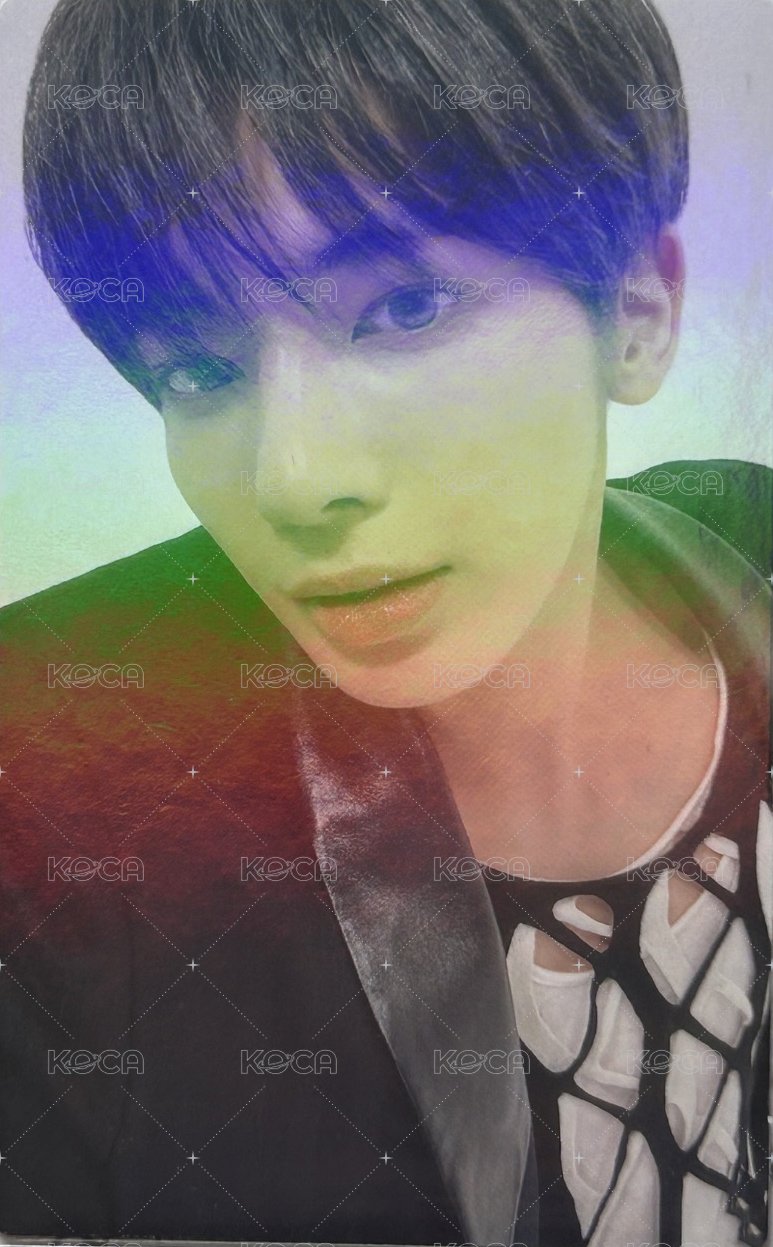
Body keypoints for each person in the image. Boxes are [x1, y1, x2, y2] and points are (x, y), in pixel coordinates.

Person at [1, 0, 769, 1244]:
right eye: (197, 367)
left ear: (634, 310)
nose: (292, 480)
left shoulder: (749, 540)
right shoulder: (52, 817)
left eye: (406, 306)